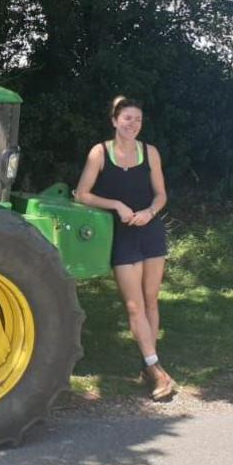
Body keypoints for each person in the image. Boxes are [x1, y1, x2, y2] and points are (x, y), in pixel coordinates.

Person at [74, 96, 175, 400]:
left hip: (151, 232)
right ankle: (156, 369)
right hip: (122, 235)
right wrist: (116, 205)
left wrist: (150, 213)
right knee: (134, 307)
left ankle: (150, 365)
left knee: (151, 302)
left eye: (138, 120)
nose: (133, 124)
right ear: (115, 121)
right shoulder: (99, 152)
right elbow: (82, 194)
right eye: (128, 118)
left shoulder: (150, 152)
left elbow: (161, 195)